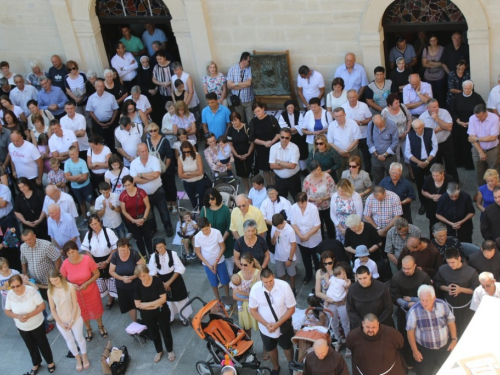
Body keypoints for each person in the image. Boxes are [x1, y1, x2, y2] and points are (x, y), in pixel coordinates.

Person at [4, 274, 56, 374]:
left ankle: (50, 362)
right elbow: (7, 311)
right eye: (13, 287)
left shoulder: (31, 291)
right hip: (22, 326)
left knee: (43, 343)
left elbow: (42, 306)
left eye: (17, 286)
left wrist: (29, 315)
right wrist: (17, 316)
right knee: (30, 345)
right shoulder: (10, 294)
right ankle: (36, 363)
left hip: (36, 324)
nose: (15, 289)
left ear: (22, 283)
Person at [249, 268, 296, 375]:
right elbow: (253, 310)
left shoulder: (284, 286)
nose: (269, 284)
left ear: (273, 276)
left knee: (287, 347)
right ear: (261, 280)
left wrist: (277, 325)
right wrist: (266, 325)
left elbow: (291, 308)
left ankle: (291, 365)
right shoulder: (255, 289)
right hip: (265, 329)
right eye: (266, 282)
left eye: (271, 281)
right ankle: (276, 367)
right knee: (270, 348)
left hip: (284, 326)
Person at [390, 255, 432, 368]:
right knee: (405, 336)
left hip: (422, 312)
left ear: (415, 266)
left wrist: (414, 301)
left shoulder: (423, 277)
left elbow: (430, 294)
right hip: (404, 313)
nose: (406, 271)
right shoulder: (396, 277)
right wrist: (407, 304)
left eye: (409, 268)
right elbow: (395, 296)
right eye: (404, 268)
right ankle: (408, 361)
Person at [59, 240, 106, 342]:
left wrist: (86, 284)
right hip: (76, 293)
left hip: (91, 290)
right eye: (68, 253)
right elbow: (62, 279)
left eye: (73, 252)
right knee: (82, 312)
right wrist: (71, 285)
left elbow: (97, 274)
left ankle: (101, 326)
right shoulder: (66, 263)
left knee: (96, 309)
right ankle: (88, 329)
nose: (71, 255)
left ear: (77, 250)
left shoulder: (87, 259)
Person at [406, 284, 457, 375]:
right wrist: (415, 351)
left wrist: (454, 340)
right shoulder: (414, 311)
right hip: (425, 350)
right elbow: (410, 332)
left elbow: (451, 322)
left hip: (444, 348)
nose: (424, 303)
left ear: (434, 298)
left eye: (427, 300)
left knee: (449, 371)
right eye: (422, 300)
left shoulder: (442, 305)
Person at [47, 269, 89, 371]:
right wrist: (60, 323)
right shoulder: (50, 290)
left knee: (79, 338)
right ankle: (77, 358)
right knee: (70, 341)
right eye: (51, 281)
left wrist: (72, 321)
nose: (54, 283)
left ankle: (84, 356)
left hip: (74, 317)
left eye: (55, 280)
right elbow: (52, 308)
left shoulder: (70, 287)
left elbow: (75, 304)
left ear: (60, 277)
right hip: (61, 319)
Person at [134, 264, 175, 363]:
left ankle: (170, 350)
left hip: (161, 312)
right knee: (154, 333)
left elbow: (163, 299)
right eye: (139, 277)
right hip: (148, 314)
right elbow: (138, 304)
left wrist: (146, 305)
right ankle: (159, 350)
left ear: (148, 272)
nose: (142, 278)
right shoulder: (137, 285)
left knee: (166, 331)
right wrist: (155, 304)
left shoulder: (157, 281)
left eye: (143, 275)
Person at [130, 143, 174, 237]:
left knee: (163, 211)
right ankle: (153, 229)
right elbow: (134, 180)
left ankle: (168, 227)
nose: (145, 153)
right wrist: (150, 177)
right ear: (138, 153)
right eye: (142, 151)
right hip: (143, 194)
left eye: (146, 150)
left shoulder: (154, 160)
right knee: (149, 213)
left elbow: (156, 175)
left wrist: (140, 175)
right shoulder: (134, 163)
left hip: (158, 191)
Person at [434, 247, 479, 336]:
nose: (450, 265)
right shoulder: (443, 269)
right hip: (448, 306)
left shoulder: (471, 272)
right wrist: (447, 288)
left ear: (459, 258)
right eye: (448, 262)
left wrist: (461, 290)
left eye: (453, 262)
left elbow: (476, 290)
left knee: (465, 331)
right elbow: (437, 284)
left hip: (466, 309)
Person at [148, 238, 192, 325]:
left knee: (180, 299)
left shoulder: (173, 254)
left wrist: (169, 283)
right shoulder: (153, 257)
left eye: (162, 247)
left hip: (175, 279)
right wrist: (163, 284)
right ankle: (170, 318)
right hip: (161, 280)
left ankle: (184, 317)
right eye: (158, 248)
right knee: (167, 301)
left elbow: (180, 269)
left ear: (165, 245)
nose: (160, 249)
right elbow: (153, 272)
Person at [80, 215, 118, 308]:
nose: (94, 226)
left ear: (100, 222)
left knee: (113, 279)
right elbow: (87, 251)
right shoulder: (89, 234)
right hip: (96, 261)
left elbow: (114, 249)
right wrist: (94, 263)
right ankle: (110, 298)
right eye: (92, 224)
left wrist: (107, 261)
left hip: (110, 258)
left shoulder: (108, 232)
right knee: (103, 280)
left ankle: (119, 296)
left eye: (96, 223)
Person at [419, 99, 458, 182]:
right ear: (428, 108)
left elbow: (449, 127)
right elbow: (424, 134)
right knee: (436, 166)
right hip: (432, 145)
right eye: (433, 107)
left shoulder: (444, 112)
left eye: (437, 106)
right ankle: (439, 183)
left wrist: (437, 119)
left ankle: (454, 183)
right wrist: (438, 129)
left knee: (450, 164)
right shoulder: (422, 117)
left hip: (446, 142)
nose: (436, 108)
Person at [405, 119, 438, 214]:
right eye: (415, 128)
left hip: (430, 162)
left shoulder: (430, 132)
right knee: (420, 184)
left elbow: (435, 147)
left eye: (419, 128)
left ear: (423, 126)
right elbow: (407, 152)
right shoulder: (410, 135)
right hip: (417, 164)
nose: (417, 130)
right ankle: (423, 204)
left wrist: (427, 161)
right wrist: (419, 162)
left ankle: (433, 202)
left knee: (432, 182)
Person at [449, 80, 484, 170]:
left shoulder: (477, 97)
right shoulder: (457, 98)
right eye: (465, 88)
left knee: (470, 144)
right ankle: (459, 163)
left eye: (469, 89)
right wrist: (458, 121)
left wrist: (471, 122)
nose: (467, 90)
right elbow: (452, 111)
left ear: (472, 88)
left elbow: (481, 111)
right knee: (458, 143)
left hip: (473, 125)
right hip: (459, 125)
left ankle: (470, 164)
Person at [194, 217, 230, 303]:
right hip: (207, 264)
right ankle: (218, 300)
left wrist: (216, 261)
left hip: (220, 261)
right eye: (203, 230)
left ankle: (227, 298)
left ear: (210, 225)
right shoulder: (197, 237)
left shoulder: (217, 232)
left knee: (225, 281)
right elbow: (198, 252)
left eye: (206, 229)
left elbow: (222, 247)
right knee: (213, 283)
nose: (205, 232)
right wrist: (208, 265)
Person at [109, 238, 145, 322]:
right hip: (122, 287)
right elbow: (111, 271)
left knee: (141, 303)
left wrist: (132, 277)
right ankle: (135, 322)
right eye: (120, 250)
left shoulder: (134, 254)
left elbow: (142, 268)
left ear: (128, 247)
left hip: (136, 284)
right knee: (130, 305)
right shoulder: (115, 256)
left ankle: (147, 321)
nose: (122, 252)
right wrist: (122, 278)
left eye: (124, 250)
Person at [200, 189, 234, 273]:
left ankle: (230, 277)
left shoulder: (225, 209)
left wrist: (221, 240)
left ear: (217, 198)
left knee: (229, 260)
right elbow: (201, 225)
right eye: (208, 199)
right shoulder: (204, 209)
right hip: (210, 242)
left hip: (225, 239)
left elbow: (229, 226)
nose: (210, 201)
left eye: (212, 198)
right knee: (215, 261)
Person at [291, 192, 322, 284]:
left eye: (302, 203)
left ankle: (318, 277)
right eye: (298, 203)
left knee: (316, 259)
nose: (300, 205)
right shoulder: (293, 208)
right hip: (300, 237)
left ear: (306, 201)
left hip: (313, 238)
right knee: (305, 258)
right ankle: (308, 275)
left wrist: (307, 235)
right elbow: (293, 223)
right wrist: (300, 236)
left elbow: (317, 225)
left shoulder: (313, 208)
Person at [146, 122, 177, 214]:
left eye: (155, 130)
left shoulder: (164, 140)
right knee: (162, 186)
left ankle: (174, 202)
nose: (153, 132)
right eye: (151, 131)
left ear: (158, 130)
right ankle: (168, 202)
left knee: (171, 186)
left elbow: (169, 156)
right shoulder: (146, 141)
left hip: (166, 167)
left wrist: (165, 169)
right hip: (155, 170)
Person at [119, 175, 153, 257]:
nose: (127, 187)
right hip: (132, 221)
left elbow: (148, 206)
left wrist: (144, 218)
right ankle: (144, 255)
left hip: (144, 218)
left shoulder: (141, 192)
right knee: (138, 239)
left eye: (129, 184)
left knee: (147, 236)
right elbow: (124, 211)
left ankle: (151, 254)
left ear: (133, 183)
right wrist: (133, 220)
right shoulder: (123, 196)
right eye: (125, 185)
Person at [248, 102, 280, 185]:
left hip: (273, 147)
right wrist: (264, 143)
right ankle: (269, 186)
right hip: (261, 149)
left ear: (263, 109)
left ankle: (275, 186)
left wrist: (272, 142)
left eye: (258, 111)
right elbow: (251, 137)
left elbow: (279, 132)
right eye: (255, 112)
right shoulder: (253, 121)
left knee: (274, 168)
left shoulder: (271, 118)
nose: (257, 113)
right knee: (265, 169)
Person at [303, 160, 336, 239]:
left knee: (330, 223)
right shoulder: (308, 179)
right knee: (318, 224)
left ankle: (332, 239)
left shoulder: (327, 176)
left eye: (319, 170)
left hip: (327, 205)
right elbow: (304, 194)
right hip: (315, 207)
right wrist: (314, 200)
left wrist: (324, 198)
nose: (317, 172)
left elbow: (334, 190)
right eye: (315, 171)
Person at [468, 103, 500, 185]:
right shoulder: (472, 118)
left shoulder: (494, 118)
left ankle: (494, 192)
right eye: (476, 116)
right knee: (479, 172)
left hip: (492, 151)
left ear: (486, 113)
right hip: (477, 150)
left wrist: (477, 138)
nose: (478, 118)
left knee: (493, 172)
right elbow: (472, 138)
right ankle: (481, 192)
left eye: (480, 116)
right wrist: (480, 152)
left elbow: (493, 137)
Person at [327, 107, 362, 181]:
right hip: (338, 152)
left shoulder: (352, 123)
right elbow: (330, 141)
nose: (339, 118)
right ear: (333, 116)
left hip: (352, 152)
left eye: (340, 115)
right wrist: (341, 152)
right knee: (340, 172)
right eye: (336, 116)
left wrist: (346, 151)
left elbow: (357, 139)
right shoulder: (331, 125)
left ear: (345, 114)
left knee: (354, 170)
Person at [85, 78, 119, 152]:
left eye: (102, 86)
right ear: (95, 87)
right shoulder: (91, 98)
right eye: (98, 86)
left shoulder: (111, 96)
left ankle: (117, 154)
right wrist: (99, 123)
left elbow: (116, 109)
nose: (100, 88)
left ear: (104, 87)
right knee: (104, 140)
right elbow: (90, 112)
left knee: (114, 139)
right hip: (98, 124)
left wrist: (111, 122)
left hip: (111, 122)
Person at [342, 90, 373, 171]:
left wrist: (360, 122)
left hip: (363, 135)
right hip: (350, 137)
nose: (352, 99)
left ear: (357, 97)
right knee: (352, 157)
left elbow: (370, 118)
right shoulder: (343, 107)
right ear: (347, 98)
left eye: (353, 97)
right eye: (350, 97)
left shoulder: (363, 106)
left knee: (366, 156)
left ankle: (368, 174)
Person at [269, 127, 301, 201]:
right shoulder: (273, 148)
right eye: (282, 137)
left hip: (293, 179)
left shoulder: (294, 147)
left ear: (290, 138)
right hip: (279, 180)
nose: (284, 139)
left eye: (287, 138)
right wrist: (287, 164)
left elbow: (293, 166)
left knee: (298, 200)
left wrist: (280, 162)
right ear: (279, 137)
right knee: (281, 201)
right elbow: (272, 165)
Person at [367, 115, 399, 185]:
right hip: (376, 158)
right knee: (378, 179)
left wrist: (385, 154)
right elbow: (369, 141)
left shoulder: (392, 125)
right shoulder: (371, 124)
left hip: (390, 157)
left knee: (393, 179)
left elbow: (395, 142)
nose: (379, 127)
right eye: (377, 125)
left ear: (384, 120)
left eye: (380, 125)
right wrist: (376, 155)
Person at [422, 163, 454, 232]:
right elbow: (423, 191)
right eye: (433, 175)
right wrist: (431, 196)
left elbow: (453, 193)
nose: (435, 178)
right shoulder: (429, 179)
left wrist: (443, 197)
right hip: (432, 207)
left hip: (445, 207)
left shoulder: (449, 179)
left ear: (442, 173)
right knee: (433, 226)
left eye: (437, 175)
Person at [227, 111, 254, 193]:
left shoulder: (247, 127)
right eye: (232, 121)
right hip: (237, 155)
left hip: (249, 153)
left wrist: (248, 153)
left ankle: (254, 189)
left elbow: (252, 142)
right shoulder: (230, 129)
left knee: (251, 172)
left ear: (239, 119)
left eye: (235, 120)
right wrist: (237, 155)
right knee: (242, 173)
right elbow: (230, 145)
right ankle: (247, 188)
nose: (234, 122)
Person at [381, 93, 413, 164]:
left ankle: (411, 174)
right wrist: (396, 136)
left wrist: (407, 130)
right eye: (396, 103)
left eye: (398, 102)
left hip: (405, 136)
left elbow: (409, 119)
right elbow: (383, 128)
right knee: (396, 159)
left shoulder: (402, 107)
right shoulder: (385, 112)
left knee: (408, 157)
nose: (398, 104)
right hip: (393, 139)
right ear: (390, 105)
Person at [64, 146, 93, 219]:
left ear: (77, 153)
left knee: (91, 201)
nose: (71, 156)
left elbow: (85, 177)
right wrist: (79, 176)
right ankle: (85, 218)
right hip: (75, 187)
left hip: (86, 185)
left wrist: (72, 178)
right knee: (81, 203)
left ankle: (95, 215)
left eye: (73, 154)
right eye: (70, 155)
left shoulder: (82, 162)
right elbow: (67, 177)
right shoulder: (67, 163)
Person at [330, 178, 363, 243]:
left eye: (343, 191)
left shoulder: (356, 196)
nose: (341, 193)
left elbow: (359, 215)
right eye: (339, 190)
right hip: (339, 227)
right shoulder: (335, 196)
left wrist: (349, 228)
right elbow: (332, 214)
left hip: (353, 227)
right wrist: (341, 228)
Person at [271, 213, 297, 292]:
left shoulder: (290, 230)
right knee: (280, 274)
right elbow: (272, 243)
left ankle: (292, 288)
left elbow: (293, 245)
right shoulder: (274, 227)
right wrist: (274, 236)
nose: (278, 228)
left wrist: (290, 259)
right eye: (276, 227)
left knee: (291, 274)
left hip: (288, 256)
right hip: (278, 256)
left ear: (283, 222)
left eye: (279, 226)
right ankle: (284, 288)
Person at [177, 140, 205, 209]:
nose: (186, 153)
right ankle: (196, 215)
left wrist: (187, 173)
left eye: (188, 151)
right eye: (184, 152)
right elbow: (180, 175)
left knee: (202, 199)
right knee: (193, 200)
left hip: (199, 181)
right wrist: (195, 173)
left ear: (191, 150)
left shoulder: (197, 155)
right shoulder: (180, 158)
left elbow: (201, 172)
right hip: (187, 183)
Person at [227, 52, 254, 123]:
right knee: (240, 121)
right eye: (249, 61)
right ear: (243, 60)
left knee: (251, 121)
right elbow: (229, 85)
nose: (250, 62)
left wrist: (235, 84)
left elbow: (249, 83)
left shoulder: (250, 69)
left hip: (249, 100)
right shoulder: (232, 69)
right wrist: (244, 85)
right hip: (238, 101)